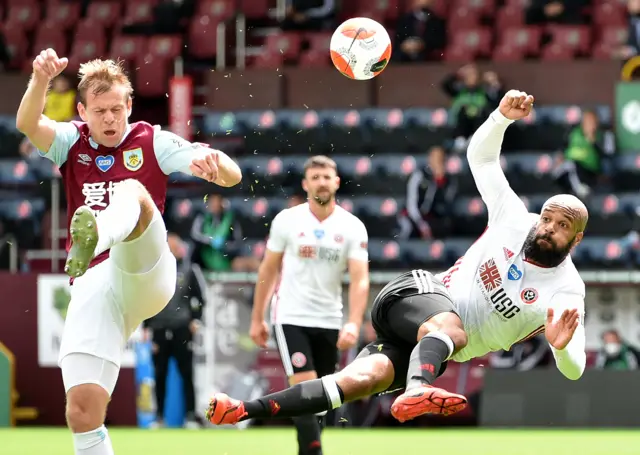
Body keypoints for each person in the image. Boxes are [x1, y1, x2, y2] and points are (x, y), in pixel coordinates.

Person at [206, 90, 587, 427]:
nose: (549, 227)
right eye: (548, 218)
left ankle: (239, 410)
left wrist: (560, 347)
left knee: (357, 382)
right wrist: (500, 118)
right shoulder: (514, 219)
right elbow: (481, 160)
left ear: (577, 238)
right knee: (452, 331)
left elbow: (575, 370)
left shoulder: (567, 291)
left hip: (429, 348)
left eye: (562, 225)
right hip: (419, 294)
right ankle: (417, 390)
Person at [16, 49, 241, 455]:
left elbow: (232, 173)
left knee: (132, 191)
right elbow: (27, 124)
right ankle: (92, 242)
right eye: (99, 111)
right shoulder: (71, 140)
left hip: (146, 272)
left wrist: (214, 162)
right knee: (82, 412)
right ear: (82, 110)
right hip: (94, 282)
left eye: (117, 109)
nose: (109, 119)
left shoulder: (151, 139)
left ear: (129, 105)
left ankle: (96, 235)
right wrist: (40, 79)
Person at [249, 155, 369, 455]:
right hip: (290, 315)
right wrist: (257, 318)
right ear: (305, 184)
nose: (321, 182)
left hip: (329, 319)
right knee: (304, 387)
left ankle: (310, 447)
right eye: (315, 177)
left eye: (326, 177)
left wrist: (354, 322)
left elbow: (359, 279)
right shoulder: (287, 220)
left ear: (337, 182)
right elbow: (268, 270)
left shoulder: (352, 226)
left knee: (322, 399)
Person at [143, 233, 207, 429]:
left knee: (186, 373)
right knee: (159, 374)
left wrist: (196, 319)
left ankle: (190, 416)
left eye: (175, 245)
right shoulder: (153, 271)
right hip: (159, 329)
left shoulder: (190, 269)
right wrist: (146, 326)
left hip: (182, 328)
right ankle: (159, 417)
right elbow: (146, 299)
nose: (172, 248)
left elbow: (201, 298)